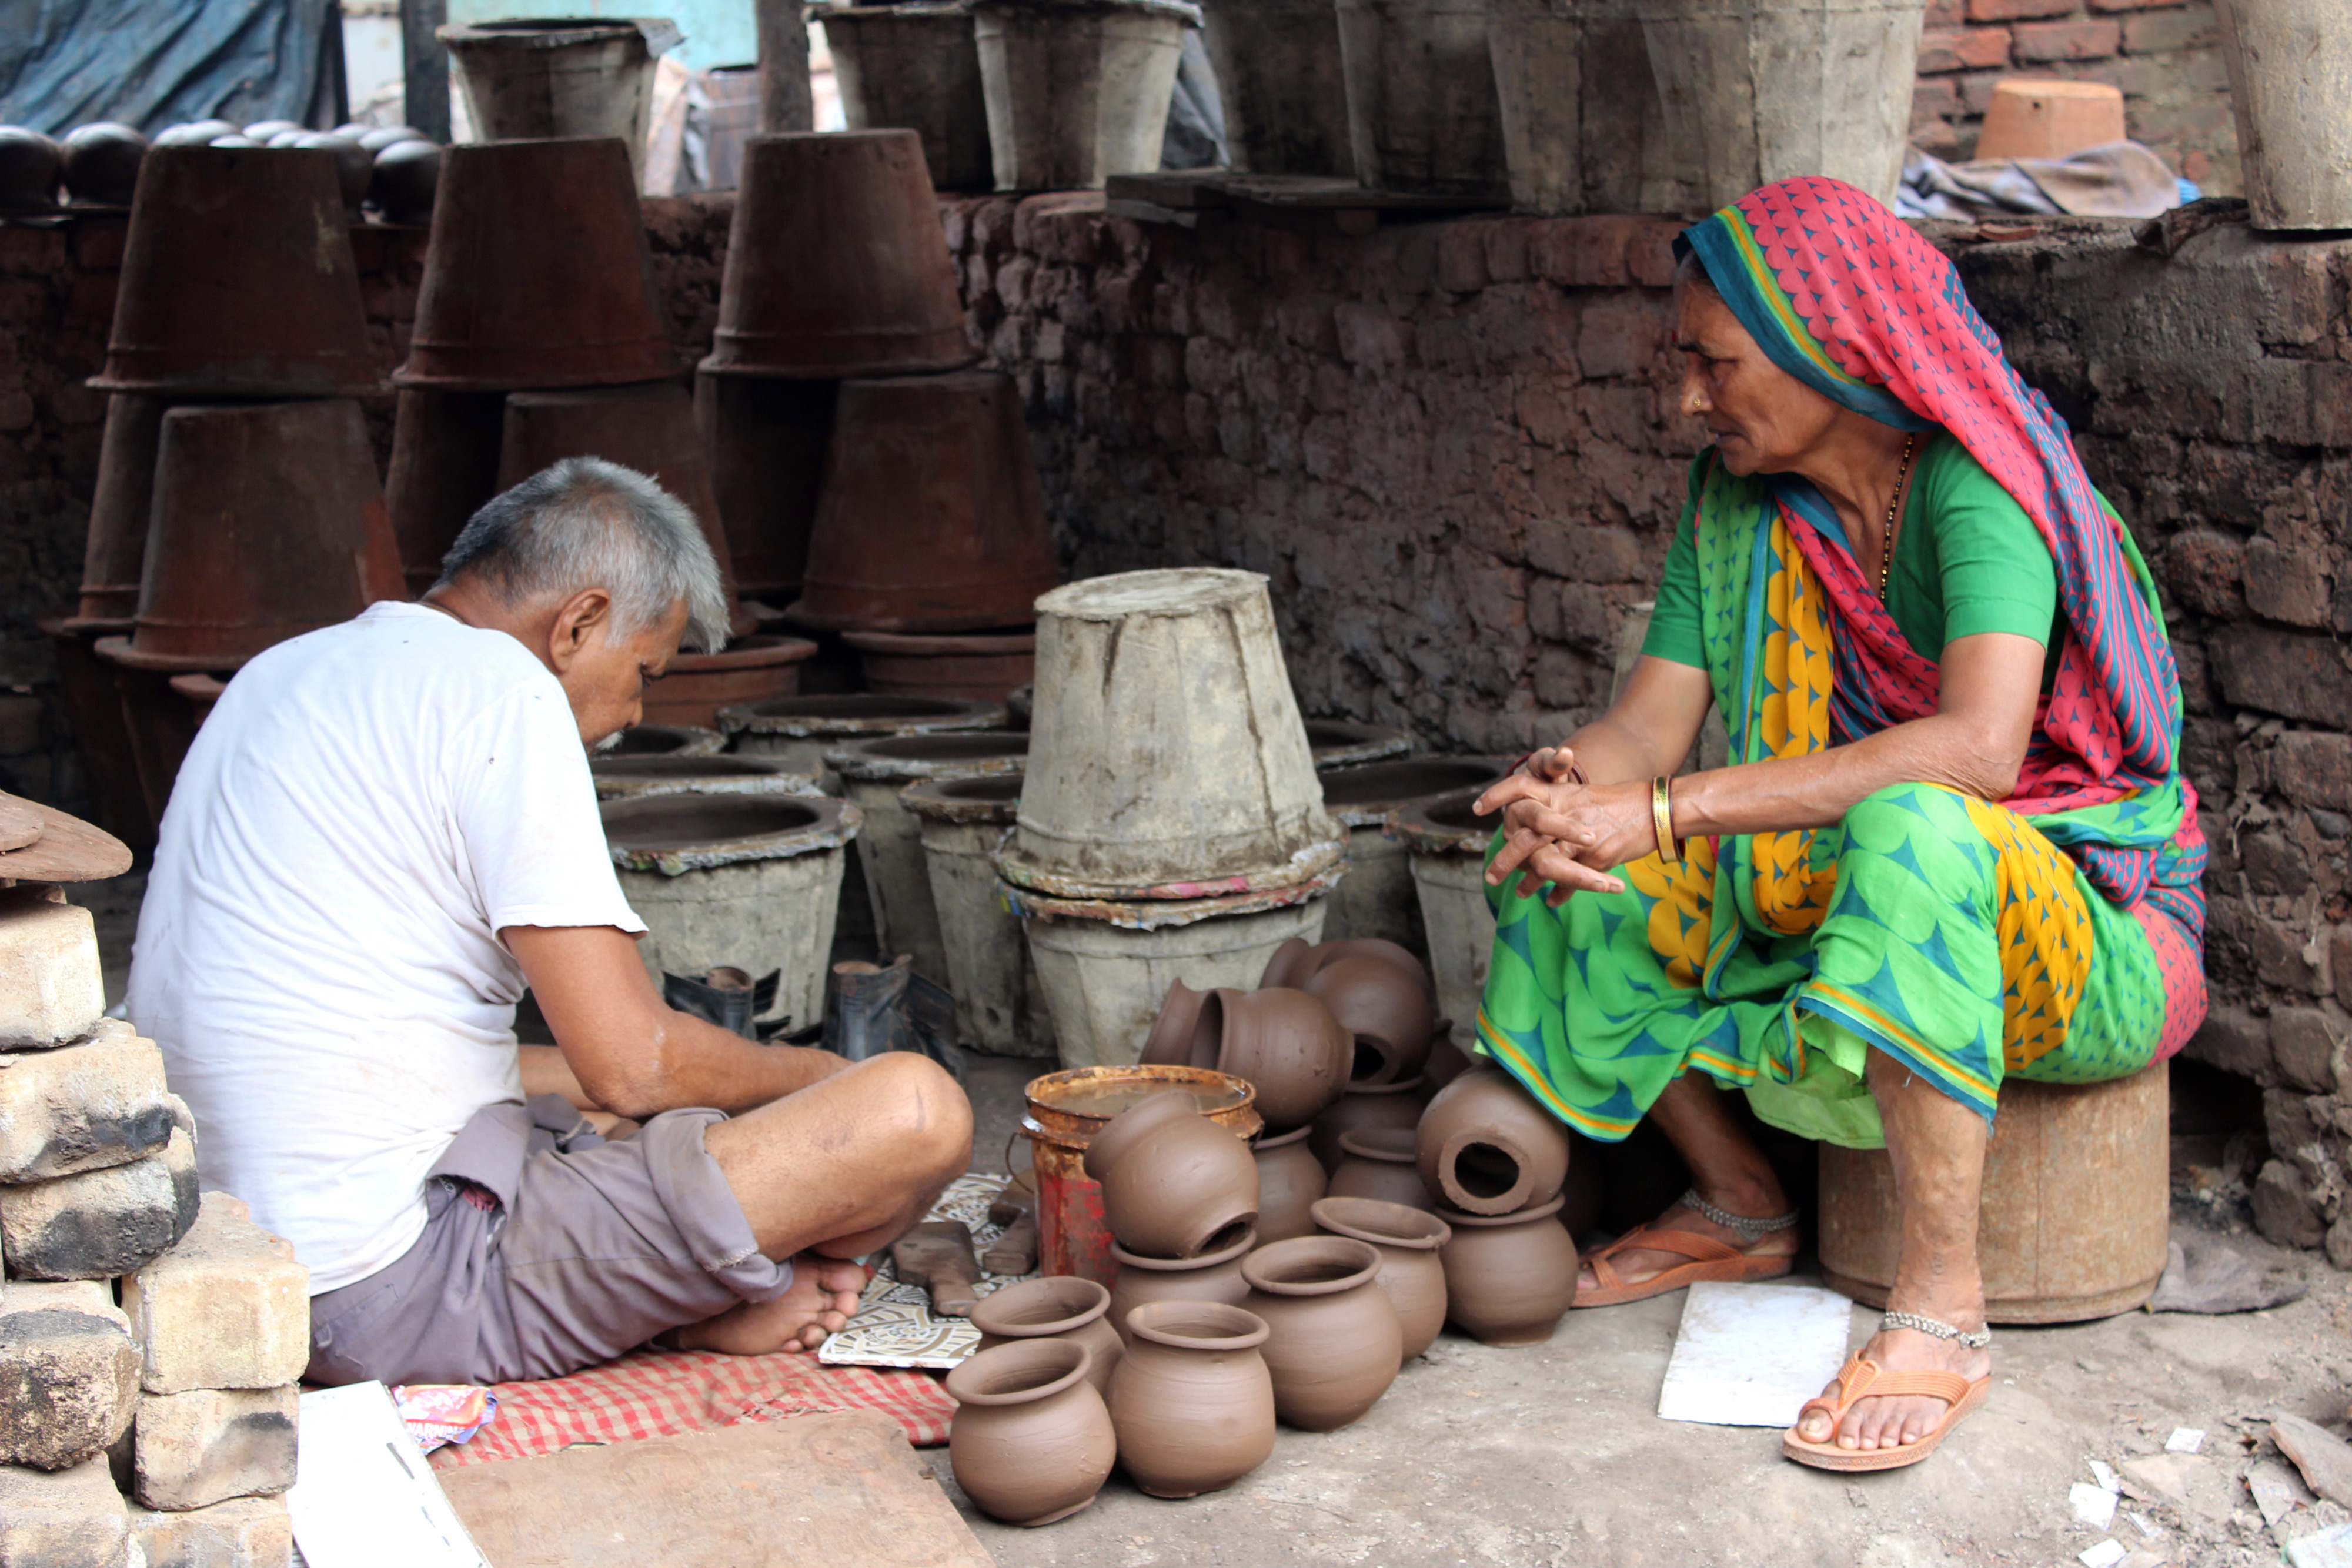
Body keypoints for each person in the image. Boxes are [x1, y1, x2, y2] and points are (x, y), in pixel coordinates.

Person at [1472, 178, 2207, 1472]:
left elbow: (1979, 750)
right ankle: (1741, 1199)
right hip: (1839, 881)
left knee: (1914, 827)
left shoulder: (1979, 489)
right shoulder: (1732, 503)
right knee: (1560, 865)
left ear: (1829, 350)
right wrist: (1572, 791)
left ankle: (1940, 1311)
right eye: (1681, 363)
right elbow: (1643, 731)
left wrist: (1669, 808)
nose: (1684, 399)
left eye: (1713, 364)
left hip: (2085, 928)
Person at [128, 457, 972, 1386]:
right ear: (578, 623)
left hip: (212, 1244)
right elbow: (636, 1062)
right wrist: (814, 1077)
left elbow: (547, 1069)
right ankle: (687, 1305)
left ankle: (681, 1283)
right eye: (643, 670)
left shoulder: (283, 671)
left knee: (600, 1105)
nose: (634, 711)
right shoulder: (503, 688)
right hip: (370, 1290)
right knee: (916, 1111)